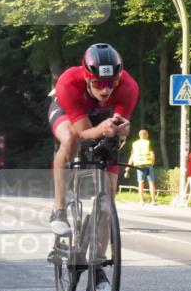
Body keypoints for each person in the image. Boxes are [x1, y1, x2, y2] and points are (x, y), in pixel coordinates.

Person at [49, 42, 138, 261]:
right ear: (88, 78)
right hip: (69, 113)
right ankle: (59, 209)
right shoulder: (68, 82)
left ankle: (98, 263)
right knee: (70, 138)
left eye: (112, 83)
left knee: (108, 197)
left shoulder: (128, 87)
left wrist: (122, 131)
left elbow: (119, 130)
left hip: (103, 121)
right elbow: (83, 133)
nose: (106, 89)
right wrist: (100, 130)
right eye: (99, 83)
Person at [128, 129, 157, 203]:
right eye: (147, 134)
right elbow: (152, 155)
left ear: (139, 135)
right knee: (151, 182)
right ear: (146, 135)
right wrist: (152, 163)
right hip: (148, 164)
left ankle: (141, 201)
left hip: (139, 165)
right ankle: (153, 201)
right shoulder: (148, 142)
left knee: (141, 183)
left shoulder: (135, 143)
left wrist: (128, 167)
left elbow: (132, 155)